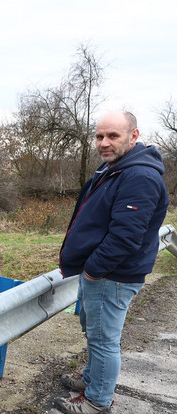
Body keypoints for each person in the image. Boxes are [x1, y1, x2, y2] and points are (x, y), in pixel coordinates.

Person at [55, 110, 169, 414]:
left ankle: (97, 401)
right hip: (104, 272)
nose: (104, 142)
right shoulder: (116, 168)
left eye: (113, 136)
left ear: (134, 136)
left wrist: (92, 271)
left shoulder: (139, 176)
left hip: (112, 275)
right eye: (99, 136)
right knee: (95, 331)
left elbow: (125, 237)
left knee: (104, 340)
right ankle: (94, 380)